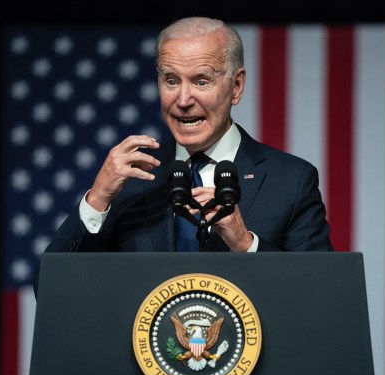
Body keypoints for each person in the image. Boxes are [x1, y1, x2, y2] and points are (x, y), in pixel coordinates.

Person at [43, 16, 333, 258]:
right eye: (171, 80)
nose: (182, 99)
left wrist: (246, 245)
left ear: (236, 86)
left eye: (201, 81)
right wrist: (97, 200)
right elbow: (52, 291)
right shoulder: (129, 181)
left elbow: (320, 297)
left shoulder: (291, 181)